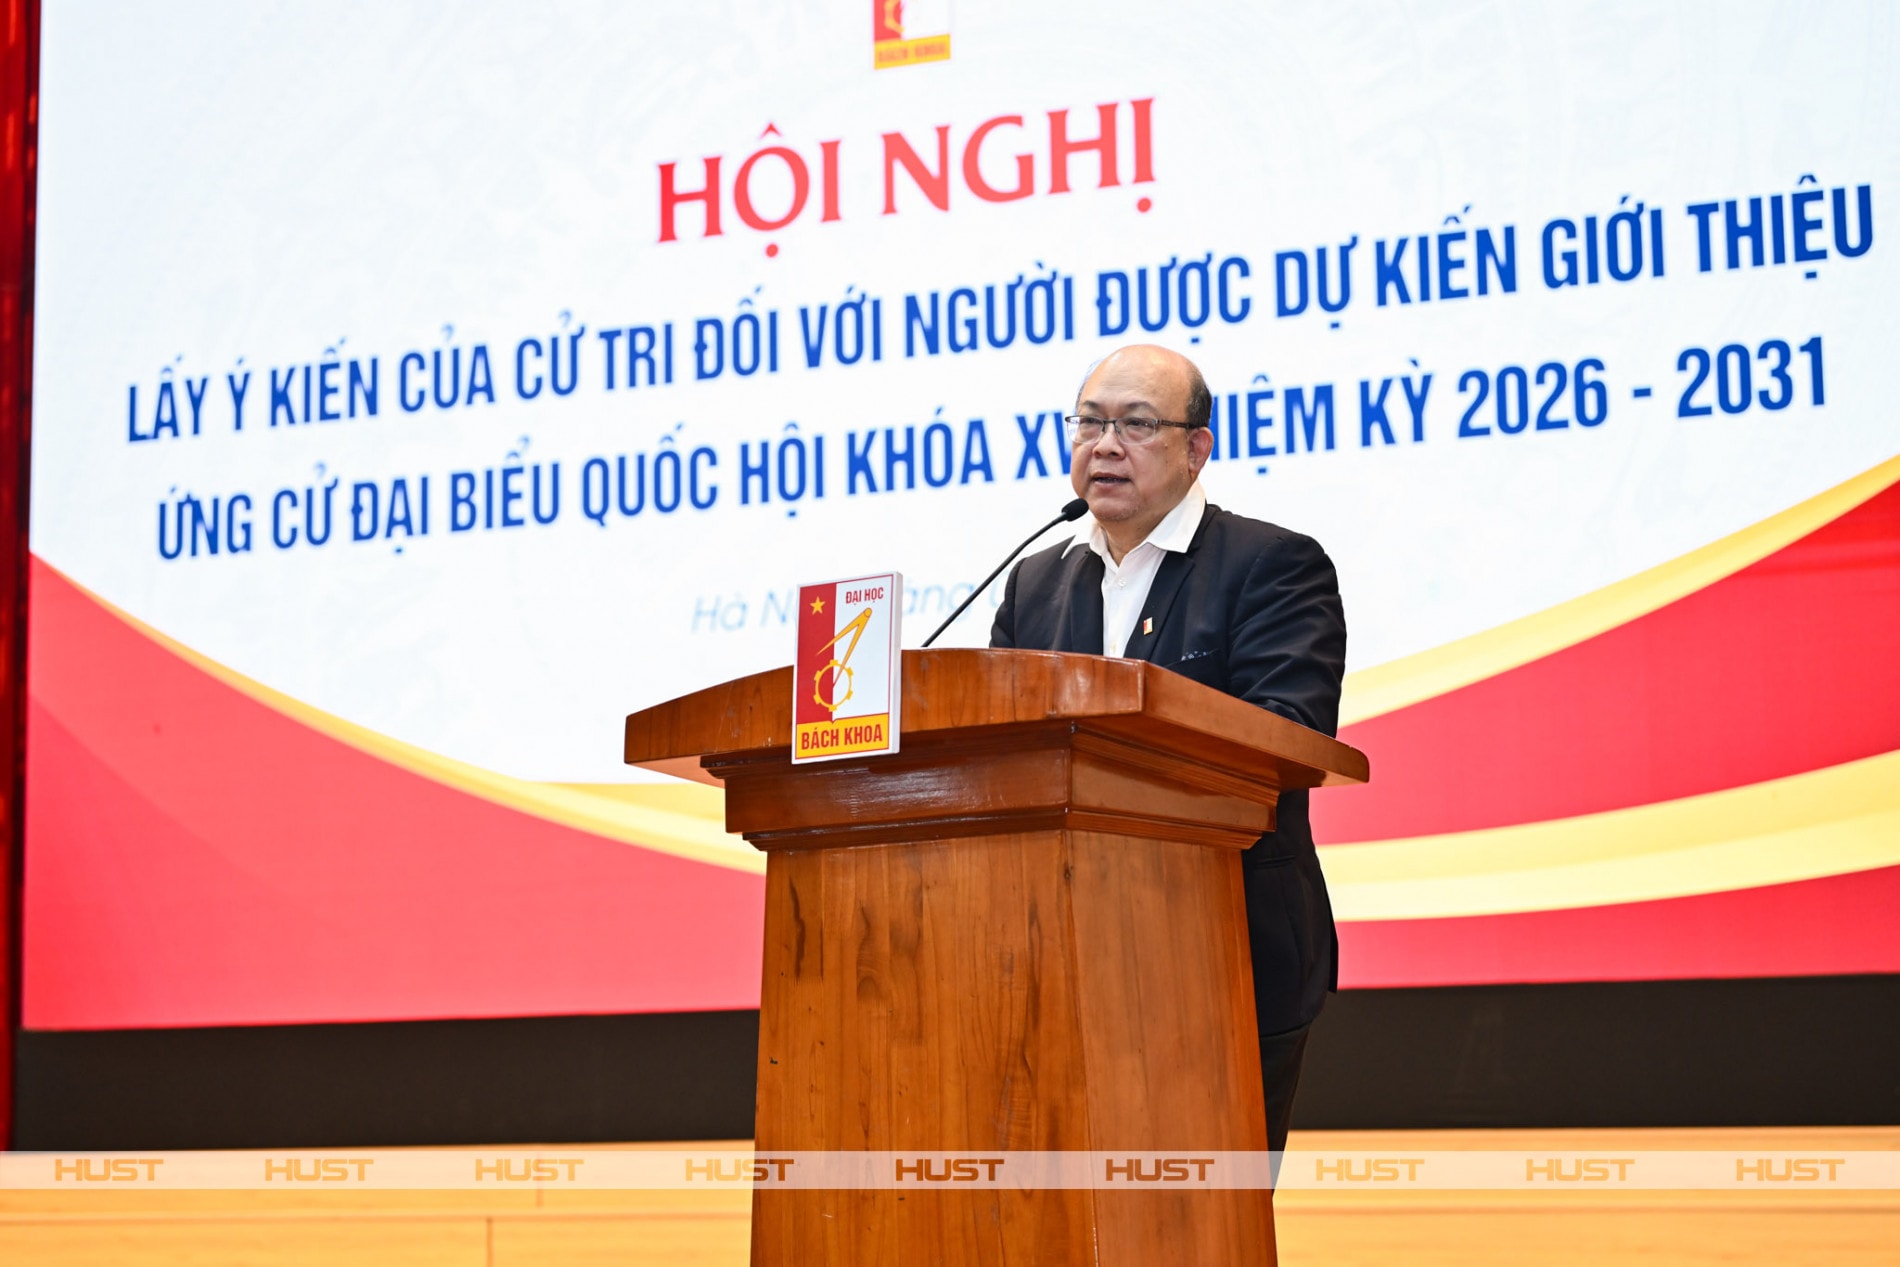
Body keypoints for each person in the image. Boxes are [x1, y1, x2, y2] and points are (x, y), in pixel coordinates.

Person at [989, 343, 1346, 1154]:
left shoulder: (1271, 566)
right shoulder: (1034, 583)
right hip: (1061, 951)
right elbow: (999, 750)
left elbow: (1287, 733)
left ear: (1196, 448)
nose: (1105, 444)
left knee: (1209, 1207)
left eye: (1137, 424)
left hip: (1226, 947)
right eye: (1090, 422)